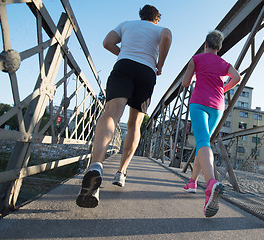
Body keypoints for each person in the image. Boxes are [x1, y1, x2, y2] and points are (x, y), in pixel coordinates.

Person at [76, 4, 172, 208]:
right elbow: (167, 37)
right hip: (146, 71)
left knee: (111, 113)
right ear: (157, 19)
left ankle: (96, 165)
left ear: (141, 16)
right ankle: (121, 173)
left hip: (124, 65)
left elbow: (107, 42)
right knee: (134, 125)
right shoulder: (159, 29)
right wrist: (160, 65)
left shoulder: (126, 25)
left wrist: (123, 53)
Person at [181, 30, 241, 217]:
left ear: (205, 44)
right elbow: (237, 77)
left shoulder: (196, 58)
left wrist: (193, 76)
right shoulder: (224, 63)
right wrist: (223, 88)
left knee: (203, 143)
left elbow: (184, 83)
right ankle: (192, 182)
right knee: (203, 142)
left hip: (199, 103)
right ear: (219, 47)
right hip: (217, 107)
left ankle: (210, 184)